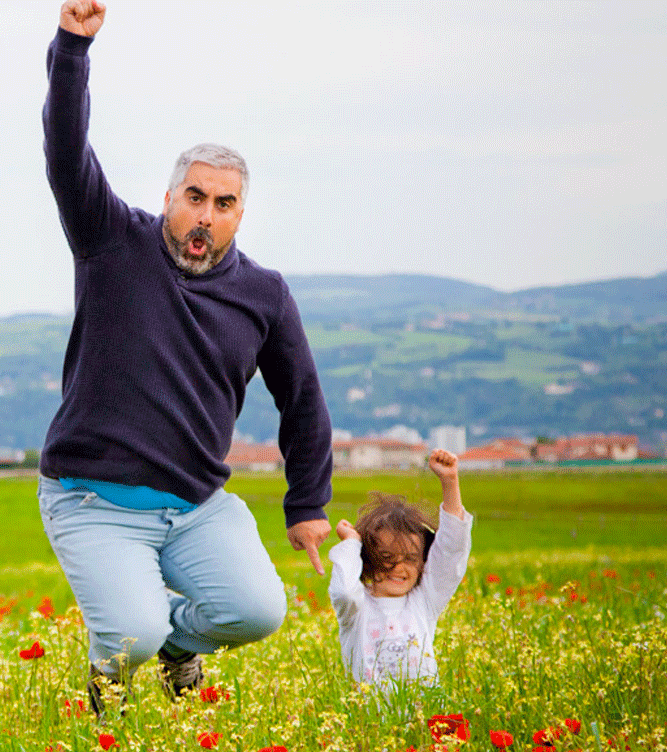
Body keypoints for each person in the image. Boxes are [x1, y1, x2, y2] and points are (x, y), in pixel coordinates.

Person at [38, 0, 336, 711]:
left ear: (240, 212)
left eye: (224, 203)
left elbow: (301, 398)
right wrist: (73, 48)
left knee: (259, 611)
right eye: (194, 197)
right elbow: (64, 148)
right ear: (168, 196)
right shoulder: (111, 240)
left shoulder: (263, 293)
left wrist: (308, 502)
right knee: (130, 634)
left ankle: (178, 649)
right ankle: (120, 672)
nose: (205, 216)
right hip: (93, 498)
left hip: (198, 506)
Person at [328, 449, 473, 685]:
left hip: (425, 715)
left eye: (410, 558)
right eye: (387, 556)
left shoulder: (424, 600)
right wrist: (352, 544)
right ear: (367, 557)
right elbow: (343, 590)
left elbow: (450, 552)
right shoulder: (356, 608)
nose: (399, 568)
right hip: (372, 719)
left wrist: (450, 482)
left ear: (423, 562)